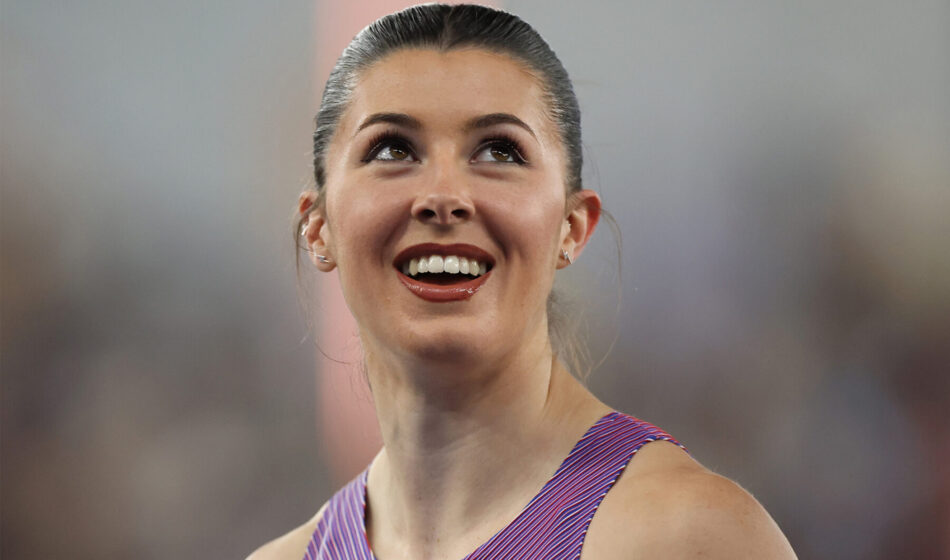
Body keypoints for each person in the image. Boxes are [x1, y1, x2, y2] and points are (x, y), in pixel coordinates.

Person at [250, 4, 796, 559]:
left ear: (571, 226)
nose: (443, 196)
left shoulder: (685, 534)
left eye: (499, 151)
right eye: (393, 149)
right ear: (318, 228)